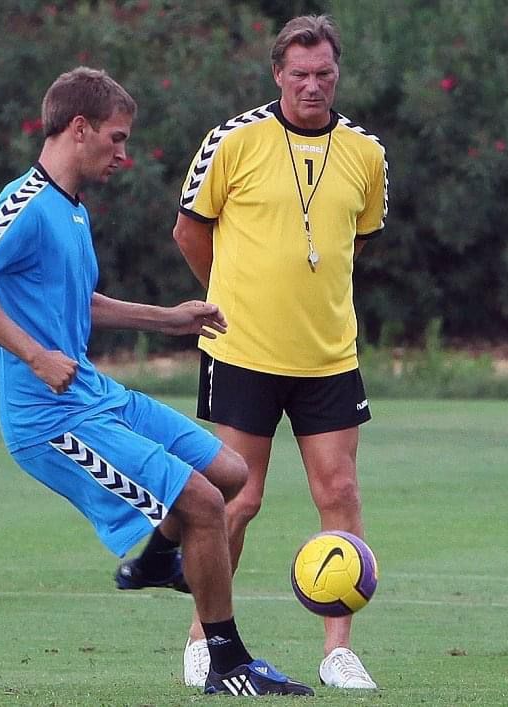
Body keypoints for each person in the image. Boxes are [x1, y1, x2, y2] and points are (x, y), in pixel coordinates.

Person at [0, 66, 314, 698]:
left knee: (230, 474)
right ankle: (228, 663)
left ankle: (156, 560)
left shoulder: (72, 210)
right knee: (202, 504)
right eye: (116, 139)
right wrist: (34, 356)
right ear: (78, 128)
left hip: (94, 395)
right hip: (50, 420)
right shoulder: (25, 202)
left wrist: (170, 319)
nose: (123, 154)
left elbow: (79, 302)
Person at [116, 15, 387, 690]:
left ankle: (338, 651)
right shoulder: (232, 140)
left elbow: (356, 241)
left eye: (324, 73)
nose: (312, 85)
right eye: (300, 74)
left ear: (337, 73)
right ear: (277, 74)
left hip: (328, 356)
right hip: (242, 352)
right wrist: (229, 301)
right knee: (236, 497)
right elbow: (188, 231)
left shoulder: (366, 153)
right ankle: (205, 638)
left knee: (340, 491)